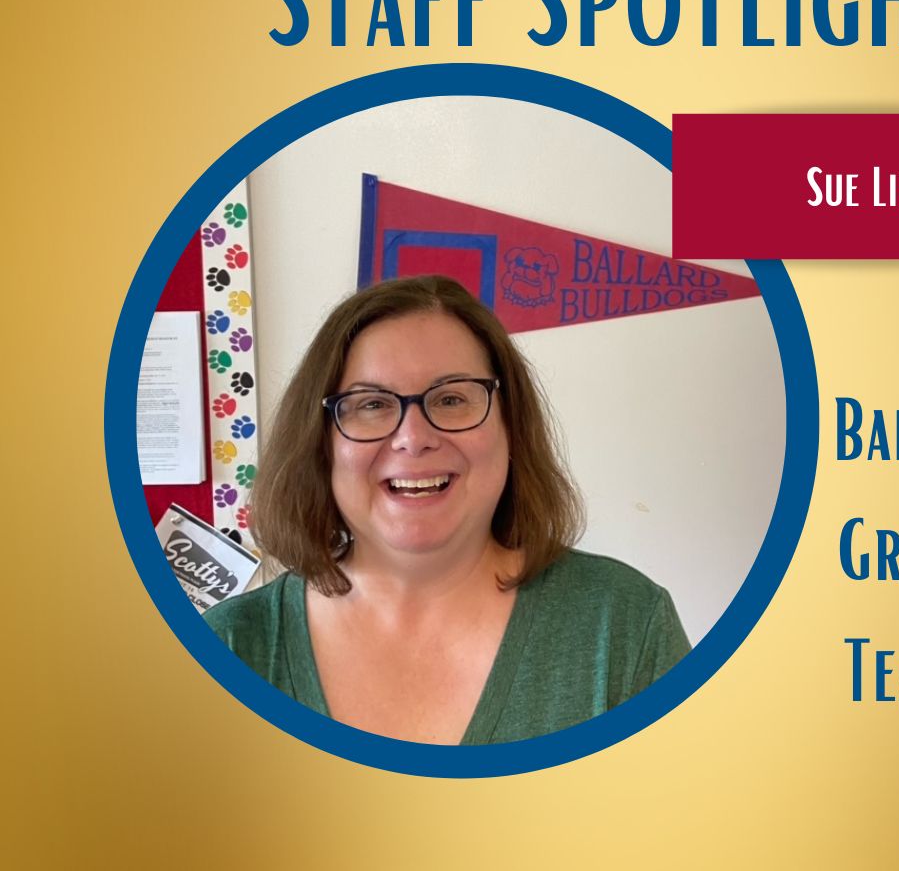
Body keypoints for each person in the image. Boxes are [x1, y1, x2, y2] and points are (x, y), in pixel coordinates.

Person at [204, 274, 689, 744]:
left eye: (452, 398)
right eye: (371, 404)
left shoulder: (627, 626)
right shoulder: (226, 649)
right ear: (321, 444)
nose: (414, 438)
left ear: (511, 428)